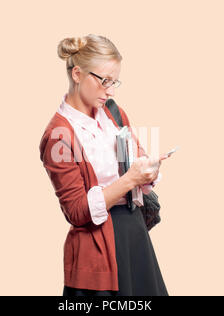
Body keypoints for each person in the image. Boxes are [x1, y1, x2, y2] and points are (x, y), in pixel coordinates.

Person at [39, 34, 168, 296]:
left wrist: (147, 170)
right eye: (104, 81)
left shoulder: (112, 111)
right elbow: (76, 211)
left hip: (134, 234)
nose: (111, 90)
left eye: (115, 81)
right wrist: (129, 180)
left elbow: (135, 157)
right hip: (98, 252)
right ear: (77, 74)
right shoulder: (58, 136)